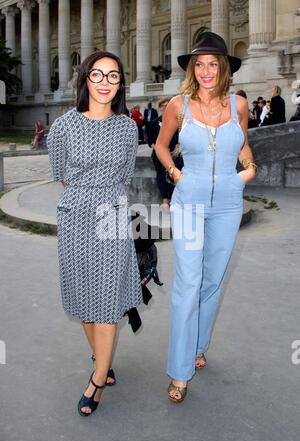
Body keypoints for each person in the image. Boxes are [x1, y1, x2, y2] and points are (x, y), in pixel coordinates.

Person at [155, 31, 258, 403]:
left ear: (224, 67)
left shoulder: (238, 106)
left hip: (229, 203)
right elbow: (161, 145)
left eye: (213, 63)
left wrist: (248, 169)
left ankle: (198, 346)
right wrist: (176, 174)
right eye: (199, 64)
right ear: (192, 69)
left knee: (213, 280)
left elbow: (243, 144)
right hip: (191, 202)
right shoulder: (178, 106)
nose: (206, 70)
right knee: (188, 281)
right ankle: (180, 371)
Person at [47, 51, 143, 417]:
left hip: (113, 215)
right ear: (85, 78)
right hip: (75, 217)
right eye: (98, 75)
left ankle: (97, 379)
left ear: (121, 83)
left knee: (105, 300)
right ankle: (101, 359)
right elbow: (61, 173)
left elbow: (126, 173)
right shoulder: (63, 127)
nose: (105, 82)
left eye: (113, 76)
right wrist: (85, 195)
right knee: (83, 297)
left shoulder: (127, 127)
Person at [147, 97, 177, 211]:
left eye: (167, 106)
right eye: (162, 106)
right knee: (161, 175)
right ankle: (165, 200)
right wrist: (159, 150)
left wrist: (176, 149)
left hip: (174, 154)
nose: (165, 108)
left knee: (173, 175)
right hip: (159, 154)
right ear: (159, 108)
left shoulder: (177, 122)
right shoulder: (154, 123)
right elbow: (151, 141)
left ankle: (174, 199)